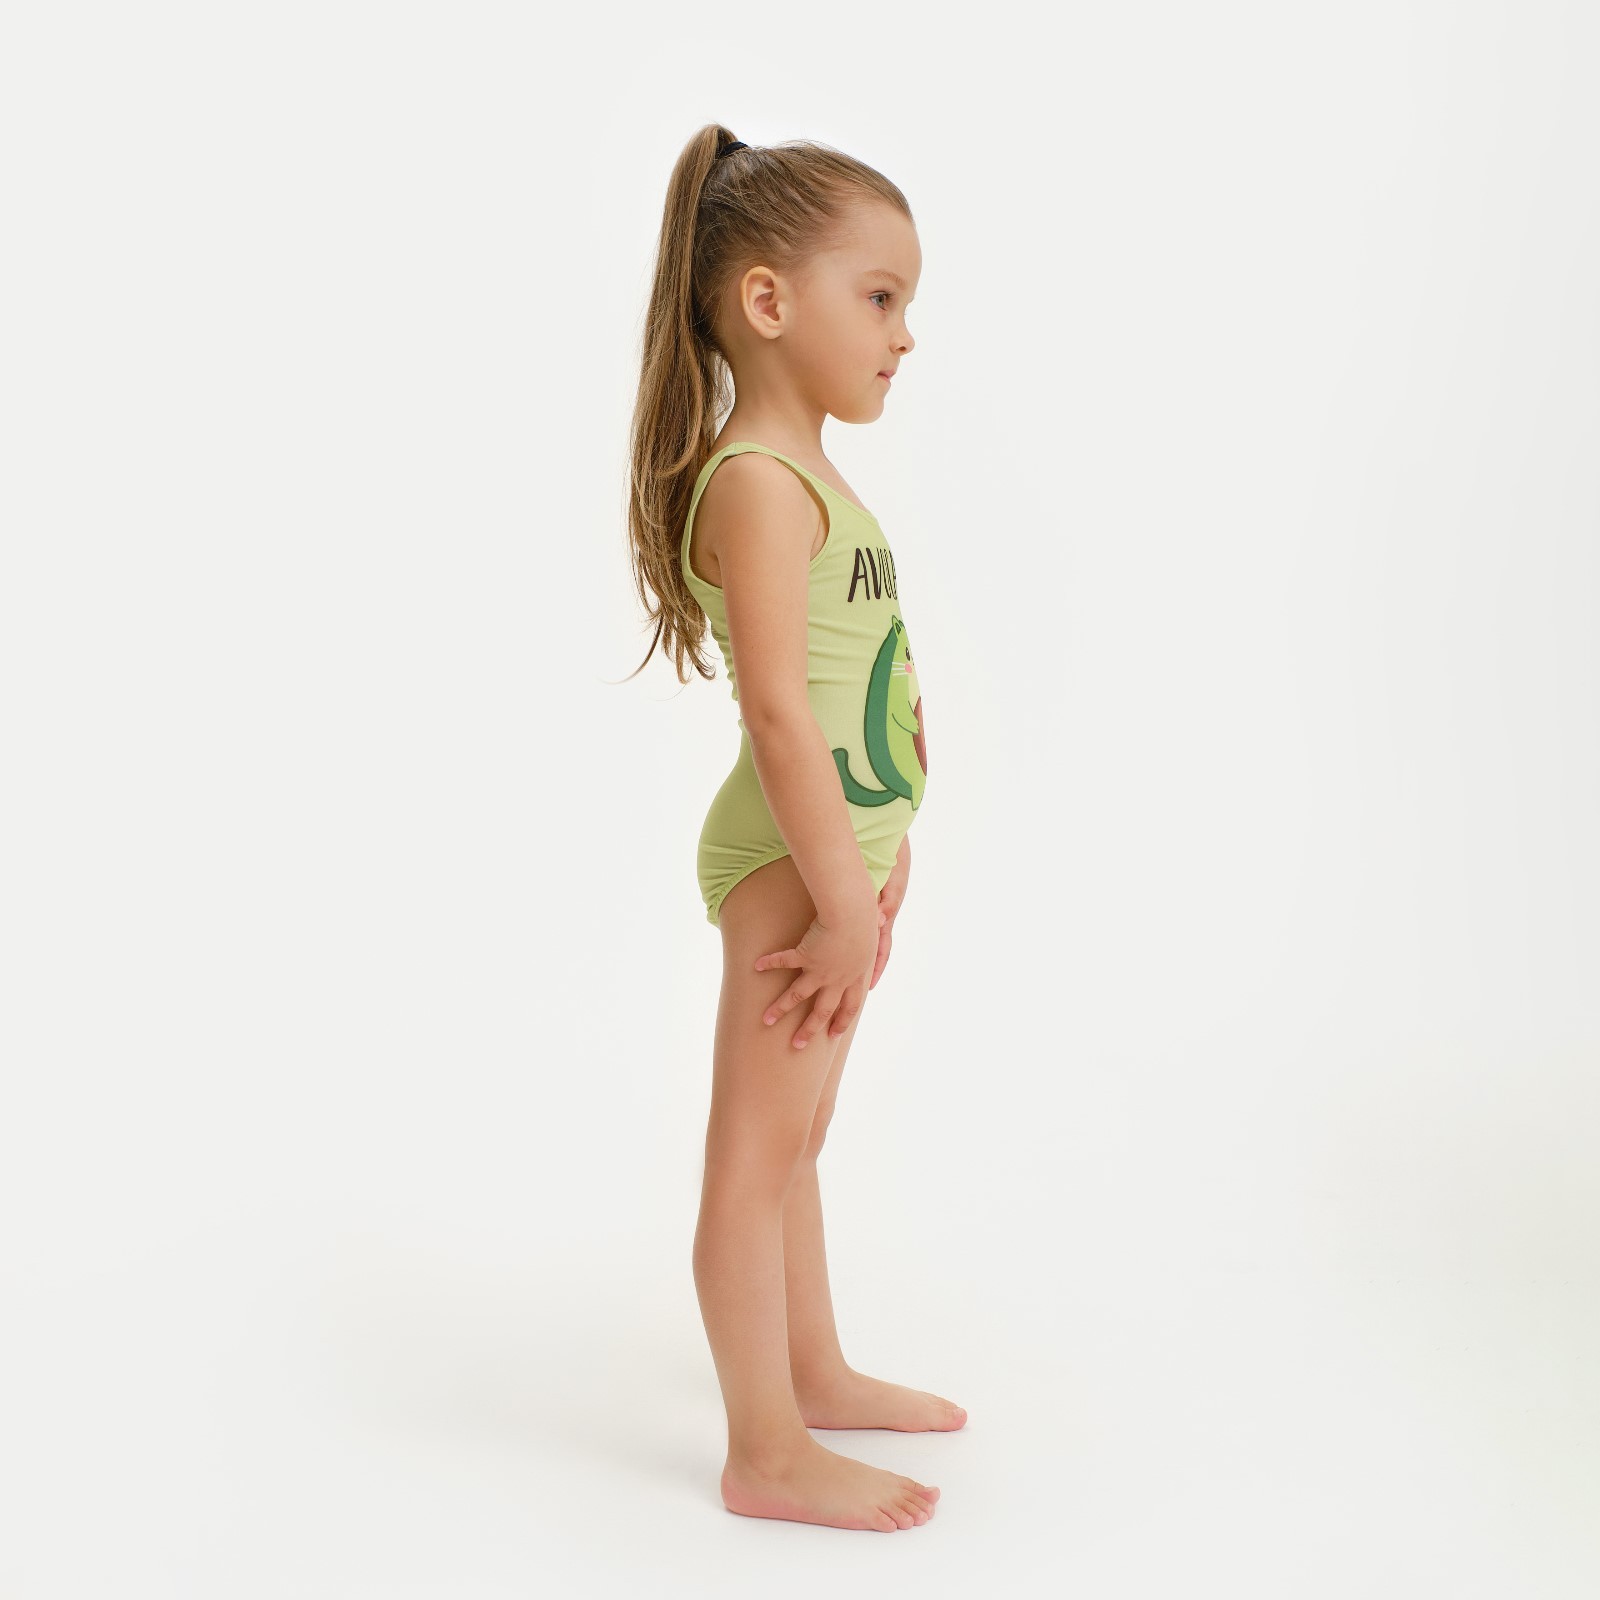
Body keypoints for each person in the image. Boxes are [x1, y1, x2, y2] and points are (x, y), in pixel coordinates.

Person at [622, 126, 962, 1534]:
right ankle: (763, 1447)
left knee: (802, 1140)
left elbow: (859, 686)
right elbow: (778, 715)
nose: (904, 334)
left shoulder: (812, 476)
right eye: (879, 297)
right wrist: (832, 894)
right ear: (768, 300)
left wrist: (885, 852)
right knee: (754, 1158)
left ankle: (811, 1371)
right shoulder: (757, 483)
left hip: (836, 866)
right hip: (787, 868)